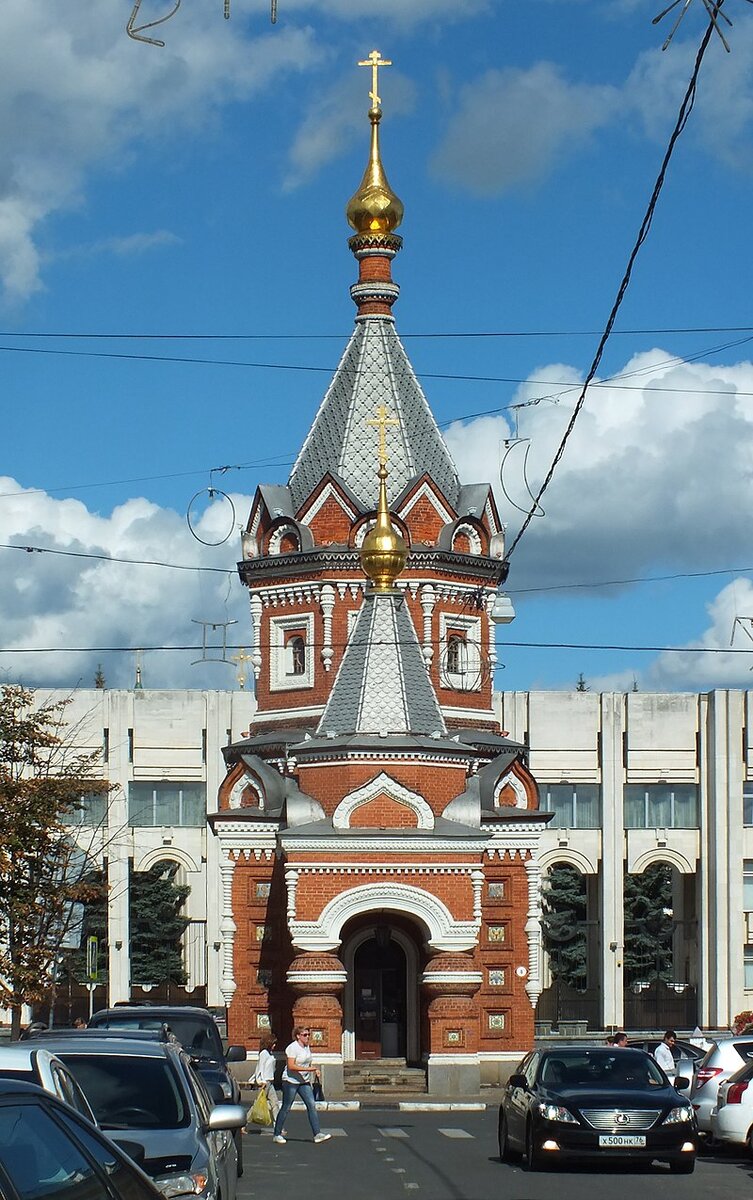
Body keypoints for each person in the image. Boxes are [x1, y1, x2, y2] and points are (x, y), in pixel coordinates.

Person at [272, 1026, 331, 1145]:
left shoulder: (307, 1047)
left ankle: (317, 1134)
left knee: (311, 1105)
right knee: (286, 1107)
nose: (307, 1037)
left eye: (308, 1034)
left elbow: (308, 1061)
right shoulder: (292, 1048)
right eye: (305, 1035)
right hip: (290, 1081)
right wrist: (310, 1069)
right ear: (298, 1036)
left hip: (303, 1082)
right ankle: (277, 1134)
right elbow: (291, 1066)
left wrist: (315, 1070)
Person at [252, 1031, 282, 1131]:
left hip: (270, 1082)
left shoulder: (270, 1053)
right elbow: (259, 1068)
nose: (274, 1045)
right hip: (265, 1083)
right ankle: (243, 1123)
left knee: (275, 1104)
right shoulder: (264, 1054)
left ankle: (278, 1126)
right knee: (257, 1104)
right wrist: (260, 1081)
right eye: (273, 1043)